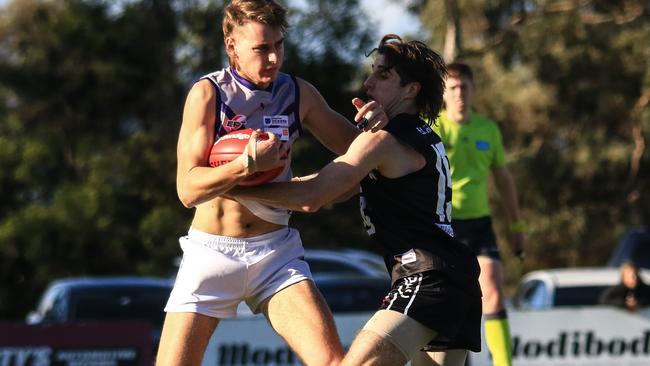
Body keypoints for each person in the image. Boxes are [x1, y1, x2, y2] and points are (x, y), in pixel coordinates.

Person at [231, 34, 482, 366]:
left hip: (426, 277)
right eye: (372, 71)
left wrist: (232, 185)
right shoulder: (419, 134)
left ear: (411, 90)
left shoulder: (382, 141)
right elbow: (340, 187)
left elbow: (313, 197)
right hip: (457, 280)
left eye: (383, 75)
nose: (368, 82)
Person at [156, 1, 378, 365]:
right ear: (232, 47)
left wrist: (377, 127)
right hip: (212, 253)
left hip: (275, 253)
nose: (273, 58)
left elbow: (363, 157)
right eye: (261, 48)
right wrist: (245, 165)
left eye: (278, 45)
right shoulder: (209, 94)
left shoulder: (298, 94)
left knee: (332, 362)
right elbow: (187, 189)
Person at [429, 62, 526, 366]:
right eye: (453, 88)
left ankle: (504, 363)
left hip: (480, 224)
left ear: (473, 90)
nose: (460, 94)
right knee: (451, 303)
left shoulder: (488, 129)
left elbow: (504, 179)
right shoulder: (434, 128)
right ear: (443, 93)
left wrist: (517, 225)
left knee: (494, 291)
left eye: (465, 87)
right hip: (445, 225)